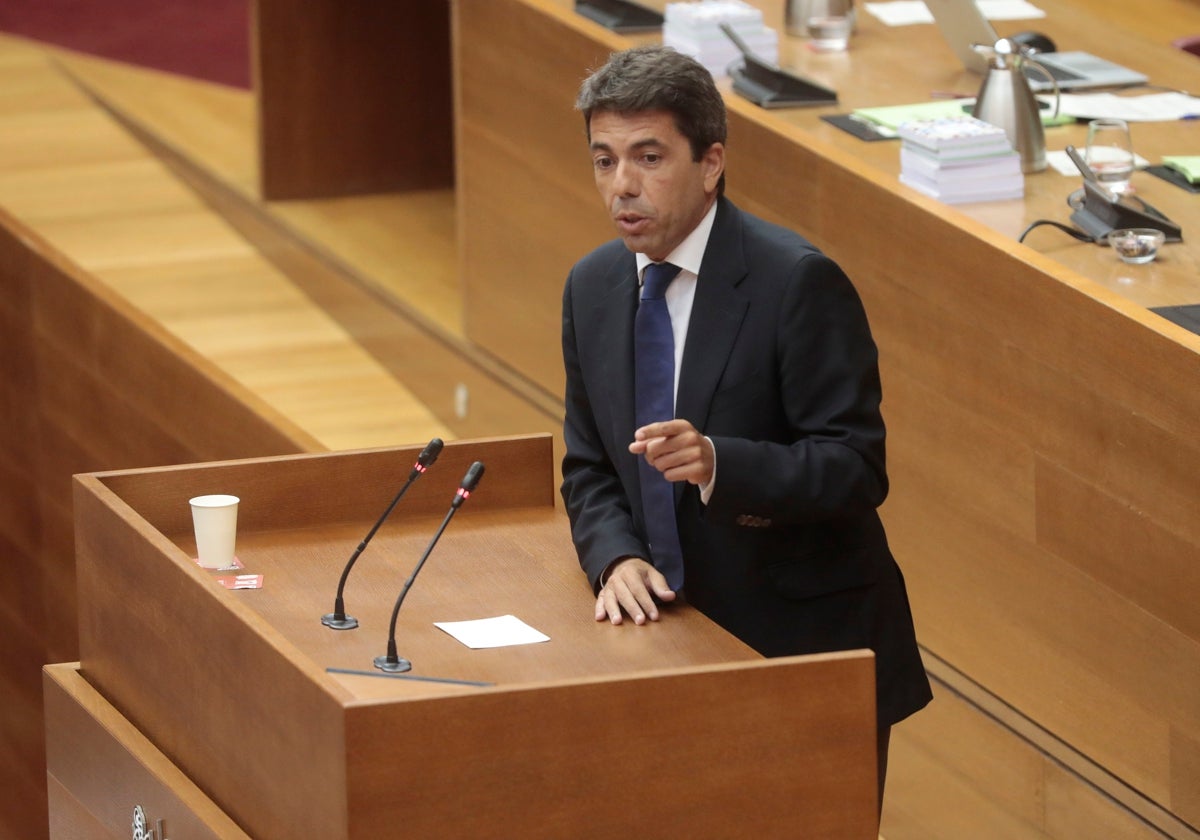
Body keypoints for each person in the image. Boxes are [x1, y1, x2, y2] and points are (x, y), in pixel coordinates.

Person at [559, 44, 932, 809]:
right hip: (664, 639)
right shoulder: (593, 285)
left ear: (711, 161)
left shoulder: (795, 282)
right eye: (604, 160)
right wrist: (615, 557)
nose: (622, 185)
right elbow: (589, 465)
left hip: (797, 646)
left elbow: (855, 466)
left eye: (649, 157)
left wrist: (719, 463)